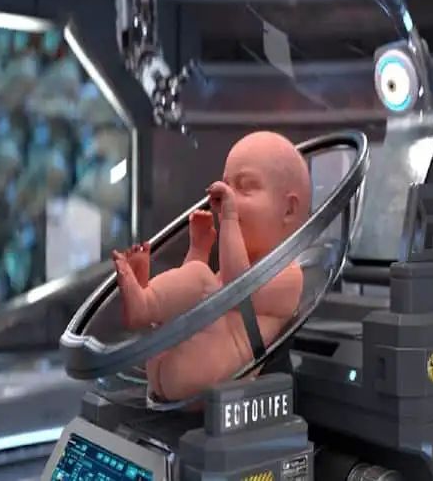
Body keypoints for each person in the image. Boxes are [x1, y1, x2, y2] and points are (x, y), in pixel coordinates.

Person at [112, 131, 311, 401]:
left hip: (205, 376)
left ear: (288, 210)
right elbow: (195, 302)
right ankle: (145, 299)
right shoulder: (231, 265)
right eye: (226, 185)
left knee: (202, 279)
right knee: (196, 281)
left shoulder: (289, 274)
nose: (227, 196)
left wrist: (228, 218)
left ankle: (144, 304)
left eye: (244, 187)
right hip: (169, 367)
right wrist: (199, 249)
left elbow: (236, 291)